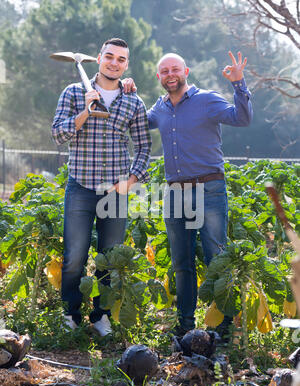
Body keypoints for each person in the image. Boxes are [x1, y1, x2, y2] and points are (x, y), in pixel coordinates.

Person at [123, 51, 253, 337]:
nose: (170, 75)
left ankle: (224, 326)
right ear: (159, 77)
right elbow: (137, 124)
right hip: (175, 193)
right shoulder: (160, 108)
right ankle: (185, 325)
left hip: (209, 189)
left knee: (215, 258)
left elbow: (241, 118)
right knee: (181, 262)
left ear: (186, 71)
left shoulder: (207, 100)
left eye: (175, 70)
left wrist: (239, 84)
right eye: (165, 71)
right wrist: (129, 93)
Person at [52, 38, 152, 336]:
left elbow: (144, 148)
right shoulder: (74, 92)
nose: (114, 63)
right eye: (109, 57)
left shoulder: (133, 101)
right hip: (80, 187)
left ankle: (101, 316)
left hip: (115, 193)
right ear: (98, 59)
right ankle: (70, 314)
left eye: (121, 59)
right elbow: (58, 134)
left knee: (108, 257)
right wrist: (85, 110)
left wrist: (132, 180)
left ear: (125, 65)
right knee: (75, 257)